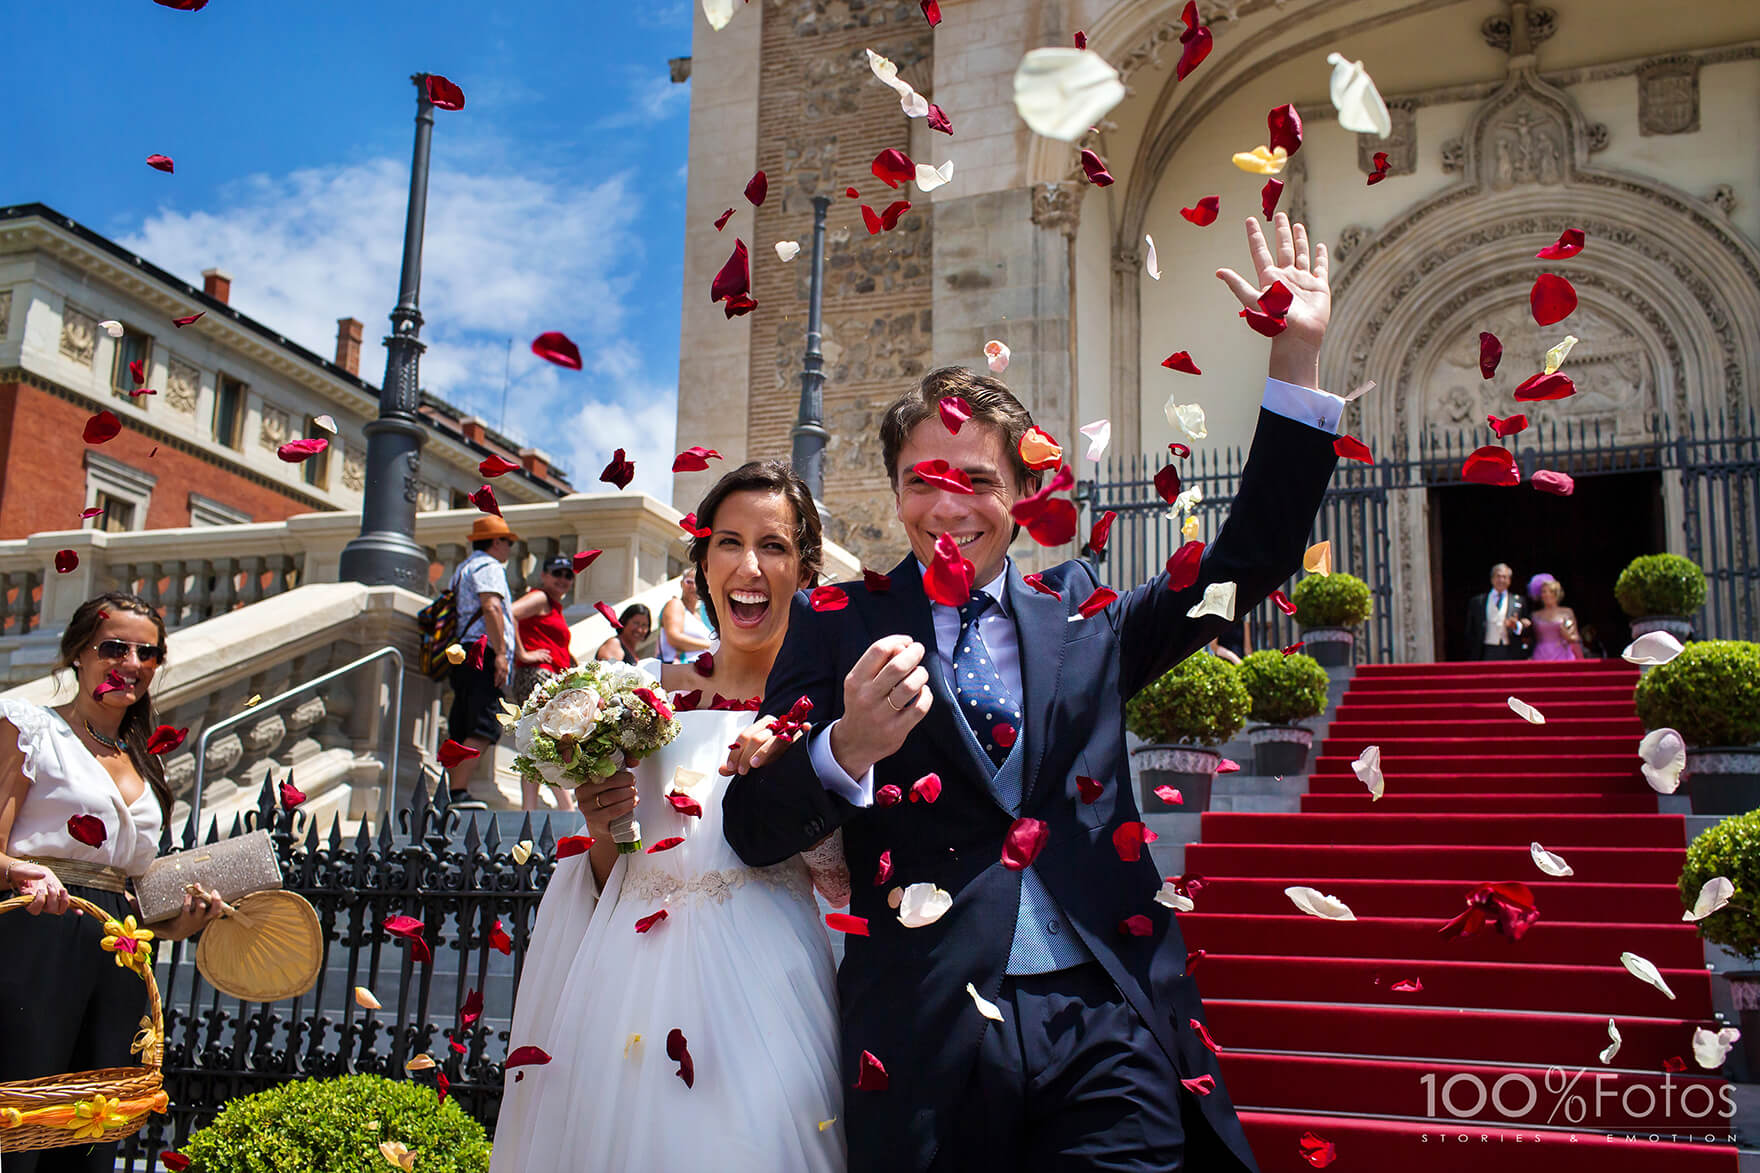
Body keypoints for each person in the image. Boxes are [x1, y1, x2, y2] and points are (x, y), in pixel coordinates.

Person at [723, 213, 1343, 1173]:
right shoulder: (836, 619)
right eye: (922, 481)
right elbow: (753, 824)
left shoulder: (1090, 616)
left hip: (1105, 1019)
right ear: (895, 493)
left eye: (974, 478)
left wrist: (1297, 359)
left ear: (1018, 493)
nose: (947, 506)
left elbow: (1248, 558)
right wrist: (843, 748)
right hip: (925, 1034)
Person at [491, 461, 846, 1172]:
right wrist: (602, 825)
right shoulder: (635, 694)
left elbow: (840, 883)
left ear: (805, 571)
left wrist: (798, 787)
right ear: (704, 563)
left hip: (772, 988)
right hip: (626, 982)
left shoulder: (829, 714)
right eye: (728, 542)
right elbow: (603, 869)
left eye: (774, 546)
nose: (750, 565)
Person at [0, 592, 226, 1173]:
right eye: (114, 647)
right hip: (33, 935)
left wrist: (181, 922)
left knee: (94, 1130)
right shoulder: (28, 729)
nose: (131, 662)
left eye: (147, 652)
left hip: (120, 951)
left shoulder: (143, 760)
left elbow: (135, 887)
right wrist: (19, 869)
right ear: (78, 654)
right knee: (22, 1117)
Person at [445, 516, 519, 810]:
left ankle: (454, 788)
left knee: (463, 722)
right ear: (496, 541)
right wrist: (501, 653)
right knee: (485, 722)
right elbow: (491, 606)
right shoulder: (489, 566)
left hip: (461, 652)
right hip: (482, 651)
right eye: (508, 542)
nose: (510, 548)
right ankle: (457, 791)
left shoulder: (463, 568)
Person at [510, 555, 579, 812]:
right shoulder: (540, 598)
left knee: (539, 744)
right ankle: (563, 807)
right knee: (545, 742)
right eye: (557, 573)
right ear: (544, 575)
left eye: (568, 575)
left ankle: (536, 807)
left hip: (547, 676)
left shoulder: (553, 606)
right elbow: (509, 613)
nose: (563, 579)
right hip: (536, 676)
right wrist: (523, 653)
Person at [1465, 562, 1531, 660]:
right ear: (1492, 579)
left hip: (1510, 649)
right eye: (1498, 576)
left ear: (1509, 580)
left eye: (1504, 577)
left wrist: (1516, 625)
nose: (1501, 580)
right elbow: (1470, 629)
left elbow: (1528, 628)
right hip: (1486, 649)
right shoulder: (1478, 601)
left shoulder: (1519, 601)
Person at [657, 566, 715, 664]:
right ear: (681, 584)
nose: (694, 586)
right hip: (677, 670)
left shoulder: (698, 616)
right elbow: (674, 638)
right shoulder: (676, 604)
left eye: (698, 583)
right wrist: (711, 645)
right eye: (689, 582)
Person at [1526, 573, 1585, 661]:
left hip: (1563, 654)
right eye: (1544, 591)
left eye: (1550, 591)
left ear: (1556, 593)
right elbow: (1530, 639)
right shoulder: (1534, 615)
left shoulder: (1567, 612)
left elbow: (1576, 637)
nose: (1547, 594)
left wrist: (1568, 636)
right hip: (1540, 655)